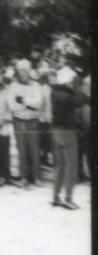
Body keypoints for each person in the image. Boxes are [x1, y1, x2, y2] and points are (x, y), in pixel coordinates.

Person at [7, 59, 44, 187]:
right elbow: (12, 106)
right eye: (20, 71)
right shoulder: (13, 86)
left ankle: (37, 177)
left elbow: (38, 103)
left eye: (25, 71)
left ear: (29, 71)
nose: (23, 73)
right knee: (21, 148)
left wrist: (21, 100)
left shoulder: (36, 85)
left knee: (34, 148)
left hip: (32, 120)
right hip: (19, 120)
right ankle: (24, 176)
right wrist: (28, 104)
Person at [49, 66, 81, 209]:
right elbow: (77, 102)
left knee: (60, 166)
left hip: (56, 131)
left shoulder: (54, 92)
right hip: (67, 131)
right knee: (72, 166)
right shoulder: (66, 95)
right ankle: (68, 198)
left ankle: (56, 197)